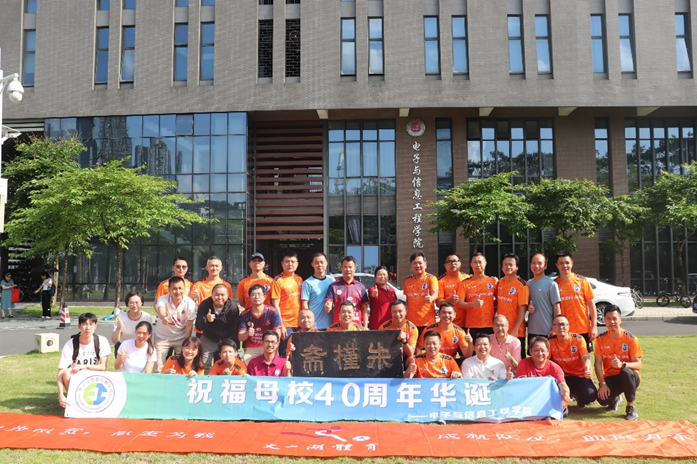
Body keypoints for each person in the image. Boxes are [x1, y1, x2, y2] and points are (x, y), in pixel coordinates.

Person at [594, 305, 642, 421]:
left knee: (625, 372)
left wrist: (623, 364)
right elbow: (597, 363)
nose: (611, 322)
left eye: (614, 318)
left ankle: (630, 406)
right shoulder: (600, 339)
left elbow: (638, 365)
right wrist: (603, 384)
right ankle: (615, 399)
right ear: (604, 320)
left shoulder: (630, 339)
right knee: (602, 399)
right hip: (611, 377)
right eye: (608, 318)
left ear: (620, 319)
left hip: (630, 376)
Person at [56, 313, 110, 408]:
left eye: (91, 324)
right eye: (85, 324)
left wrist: (85, 366)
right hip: (77, 376)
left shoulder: (101, 341)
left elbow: (103, 367)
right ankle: (73, 401)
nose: (88, 328)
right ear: (79, 326)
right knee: (66, 373)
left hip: (94, 376)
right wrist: (60, 394)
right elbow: (61, 371)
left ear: (95, 326)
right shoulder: (70, 344)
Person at [549, 314, 598, 411]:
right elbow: (546, 362)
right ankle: (563, 403)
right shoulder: (550, 341)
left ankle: (579, 399)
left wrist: (587, 368)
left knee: (591, 394)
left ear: (568, 326)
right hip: (561, 378)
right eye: (557, 325)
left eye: (563, 324)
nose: (561, 327)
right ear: (553, 327)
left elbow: (586, 357)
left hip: (579, 376)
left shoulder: (578, 339)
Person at [516, 336, 571, 412]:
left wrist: (566, 394)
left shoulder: (555, 368)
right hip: (529, 400)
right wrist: (544, 380)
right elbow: (522, 385)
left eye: (542, 350)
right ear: (530, 351)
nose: (540, 353)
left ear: (548, 352)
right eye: (536, 350)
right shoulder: (523, 364)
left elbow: (562, 384)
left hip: (549, 400)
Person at [555, 251, 598, 351]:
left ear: (572, 263)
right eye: (561, 263)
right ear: (557, 265)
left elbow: (591, 304)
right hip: (564, 330)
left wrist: (594, 326)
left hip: (583, 328)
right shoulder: (555, 284)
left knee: (585, 357)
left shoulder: (582, 281)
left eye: (567, 263)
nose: (564, 266)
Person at [153, 276, 197, 371]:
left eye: (180, 288)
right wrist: (164, 317)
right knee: (158, 368)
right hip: (162, 338)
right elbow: (161, 309)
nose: (178, 291)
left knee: (184, 366)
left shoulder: (190, 303)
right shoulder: (162, 299)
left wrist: (186, 343)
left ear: (184, 289)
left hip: (180, 338)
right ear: (169, 290)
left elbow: (189, 325)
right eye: (174, 289)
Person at [195, 283, 241, 373]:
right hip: (209, 337)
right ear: (212, 295)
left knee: (225, 364)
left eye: (222, 295)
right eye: (216, 295)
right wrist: (206, 319)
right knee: (203, 364)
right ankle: (204, 380)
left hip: (225, 338)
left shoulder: (233, 308)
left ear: (228, 295)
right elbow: (198, 326)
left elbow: (234, 329)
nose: (219, 298)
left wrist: (235, 348)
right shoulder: (205, 304)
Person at [238, 284, 283, 363]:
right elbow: (240, 337)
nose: (256, 297)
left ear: (264, 297)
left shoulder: (272, 312)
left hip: (269, 345)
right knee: (248, 364)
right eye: (253, 294)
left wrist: (274, 346)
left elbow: (277, 333)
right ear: (249, 297)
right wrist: (247, 333)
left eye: (259, 294)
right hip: (252, 347)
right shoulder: (244, 315)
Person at [496, 253, 529, 351]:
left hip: (516, 332)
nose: (508, 267)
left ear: (517, 267)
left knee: (517, 358)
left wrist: (515, 329)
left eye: (511, 264)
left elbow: (523, 309)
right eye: (505, 264)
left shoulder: (522, 285)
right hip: (501, 330)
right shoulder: (500, 282)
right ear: (502, 267)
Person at [457, 253, 496, 334]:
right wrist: (473, 304)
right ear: (471, 264)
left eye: (480, 262)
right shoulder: (464, 283)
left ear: (485, 263)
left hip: (490, 324)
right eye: (475, 262)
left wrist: (491, 304)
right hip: (471, 325)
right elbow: (460, 304)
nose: (478, 265)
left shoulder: (492, 282)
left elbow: (499, 300)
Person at [527, 252, 561, 345]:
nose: (536, 266)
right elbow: (525, 305)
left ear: (545, 266)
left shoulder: (551, 284)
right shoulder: (528, 284)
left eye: (539, 263)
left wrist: (556, 327)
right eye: (533, 263)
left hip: (548, 330)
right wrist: (528, 308)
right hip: (532, 330)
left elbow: (557, 307)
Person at [325, 255, 369, 327]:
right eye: (345, 267)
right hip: (338, 327)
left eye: (350, 267)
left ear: (355, 268)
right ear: (341, 268)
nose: (348, 269)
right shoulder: (333, 286)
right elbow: (328, 303)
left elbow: (364, 309)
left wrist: (365, 327)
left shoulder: (361, 287)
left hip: (356, 326)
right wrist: (327, 306)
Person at [270, 251, 303, 341]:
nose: (290, 264)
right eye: (287, 261)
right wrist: (280, 324)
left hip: (299, 323)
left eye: (292, 262)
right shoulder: (278, 281)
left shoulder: (299, 279)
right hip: (286, 324)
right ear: (282, 264)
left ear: (297, 264)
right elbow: (275, 304)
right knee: (286, 349)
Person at [403, 252, 439, 328]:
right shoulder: (407, 281)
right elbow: (408, 299)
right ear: (411, 266)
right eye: (414, 263)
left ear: (425, 265)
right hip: (411, 322)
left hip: (427, 322)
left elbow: (435, 293)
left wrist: (431, 298)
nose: (417, 266)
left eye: (420, 263)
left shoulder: (431, 278)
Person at [301, 252, 335, 330]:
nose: (319, 265)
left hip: (331, 325)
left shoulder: (332, 280)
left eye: (322, 262)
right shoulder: (307, 283)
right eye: (316, 263)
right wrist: (308, 322)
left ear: (326, 263)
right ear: (312, 264)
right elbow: (305, 304)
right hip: (315, 326)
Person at [379, 299, 419, 365]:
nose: (397, 314)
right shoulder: (384, 327)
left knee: (412, 359)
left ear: (406, 311)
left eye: (400, 311)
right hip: (388, 356)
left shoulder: (412, 329)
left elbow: (410, 353)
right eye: (394, 312)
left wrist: (404, 341)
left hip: (405, 357)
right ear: (391, 313)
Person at [368, 265, 397, 330]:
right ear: (375, 277)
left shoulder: (391, 290)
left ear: (388, 277)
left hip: (391, 326)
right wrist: (374, 294)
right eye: (379, 275)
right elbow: (372, 295)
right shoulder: (372, 289)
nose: (382, 277)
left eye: (384, 274)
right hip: (377, 326)